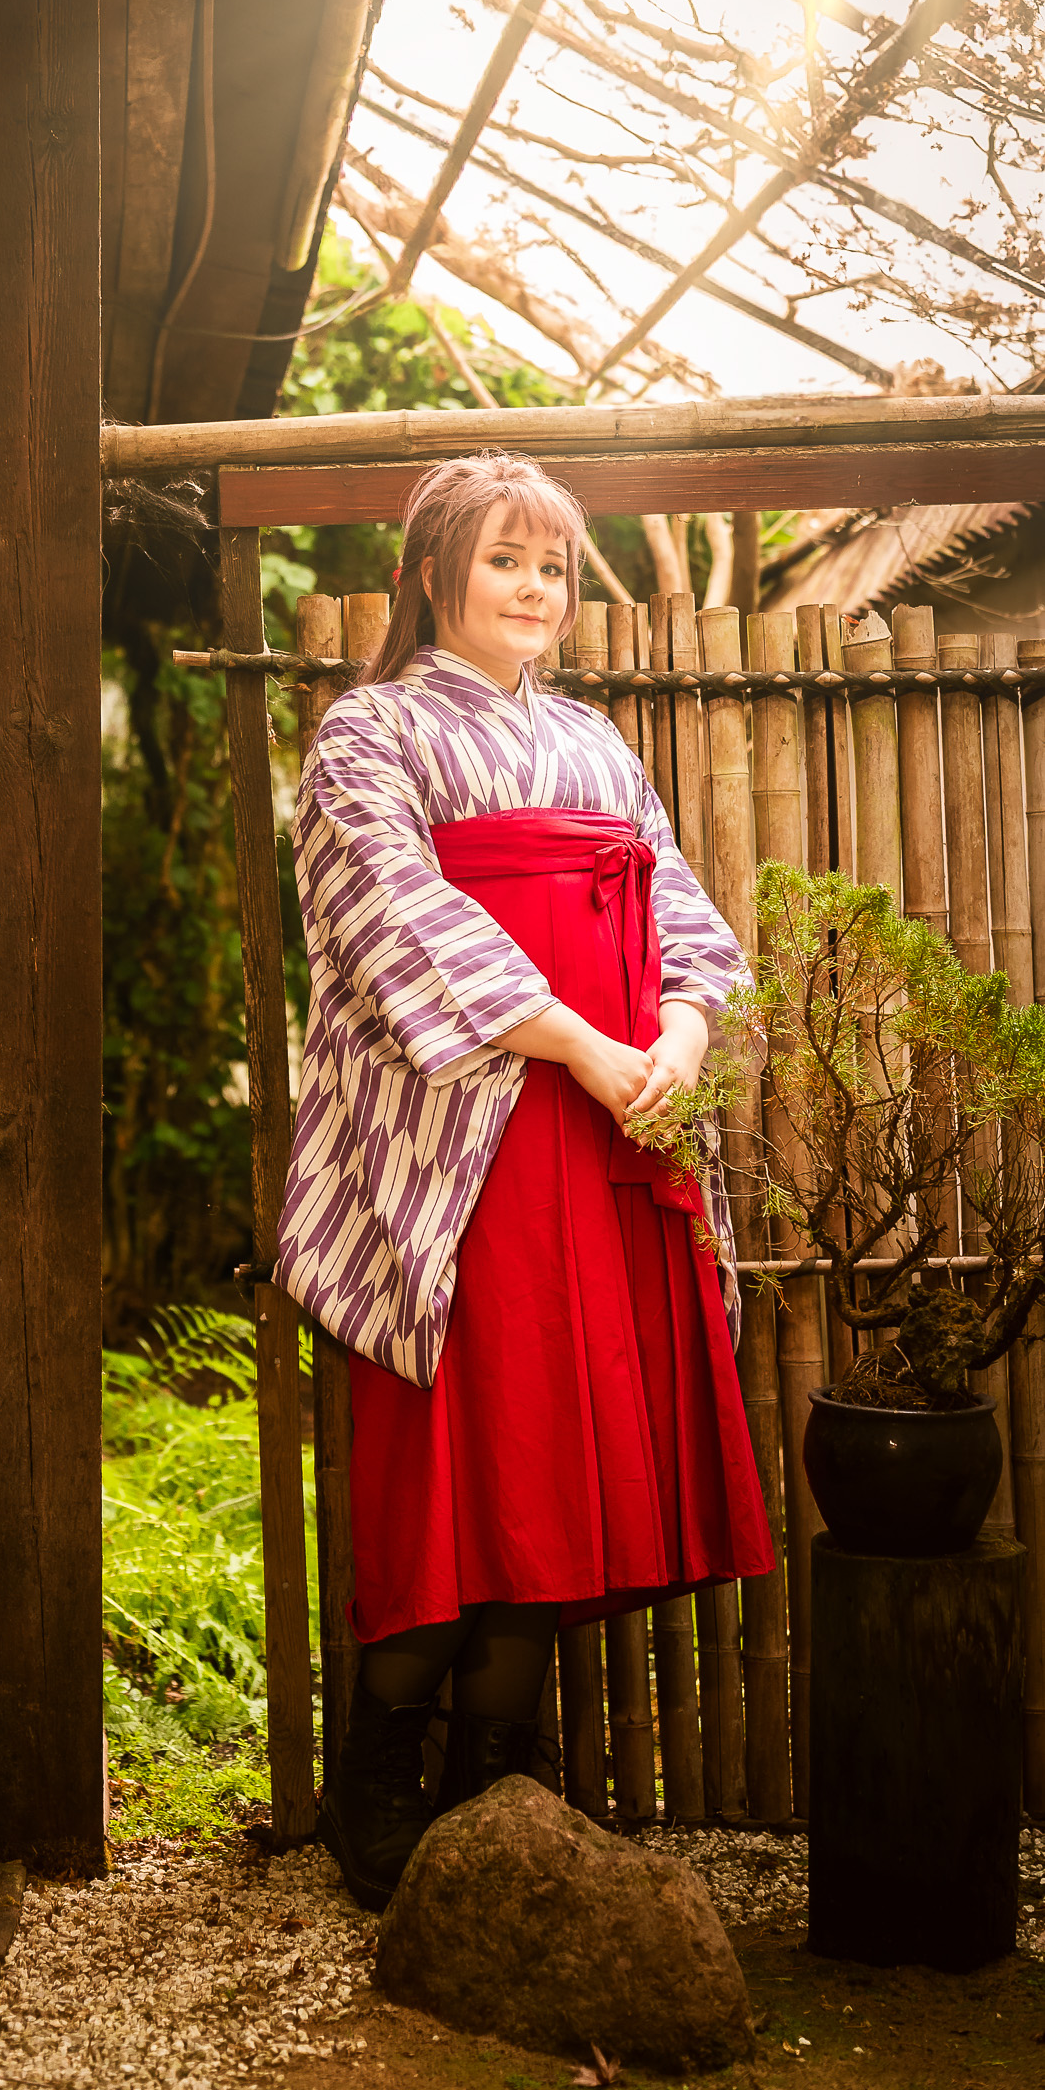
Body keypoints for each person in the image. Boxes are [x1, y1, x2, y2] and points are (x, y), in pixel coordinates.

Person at [273, 453, 775, 1911]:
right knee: (463, 1434)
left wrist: (678, 1033)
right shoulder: (369, 731)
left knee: (562, 1436)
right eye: (505, 560)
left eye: (553, 566)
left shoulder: (598, 745)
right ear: (430, 573)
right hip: (471, 1131)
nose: (536, 590)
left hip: (609, 1125)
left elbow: (677, 903)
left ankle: (496, 1767)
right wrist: (580, 1045)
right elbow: (391, 913)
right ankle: (382, 1763)